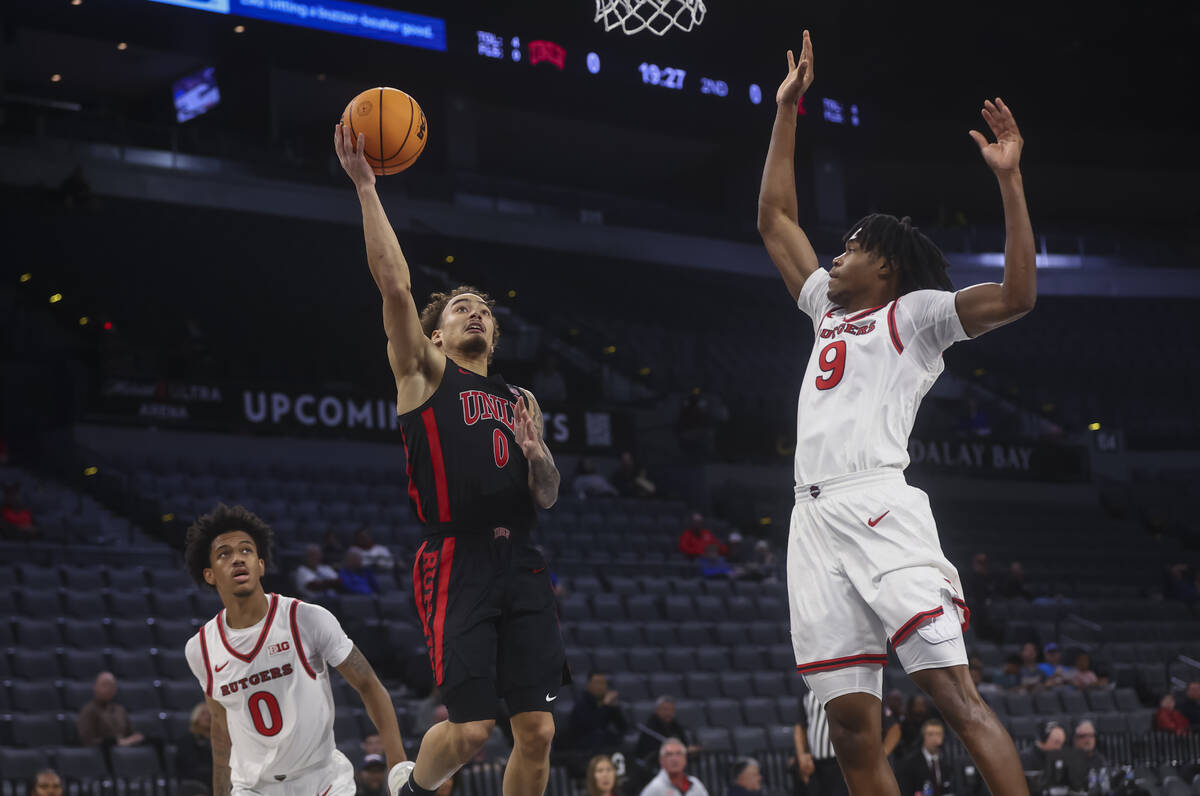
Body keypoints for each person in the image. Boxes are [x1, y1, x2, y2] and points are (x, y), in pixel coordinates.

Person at [758, 30, 1034, 795]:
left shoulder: (914, 316)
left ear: (887, 265)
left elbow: (1016, 297)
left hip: (879, 505)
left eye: (852, 247)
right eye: (839, 246)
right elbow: (776, 222)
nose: (836, 254)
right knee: (850, 728)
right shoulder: (825, 311)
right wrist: (788, 113)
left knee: (955, 696)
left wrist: (1009, 182)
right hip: (810, 520)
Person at [336, 122, 565, 796]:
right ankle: (411, 787)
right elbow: (397, 290)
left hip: (520, 558)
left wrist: (539, 456)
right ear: (437, 333)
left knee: (540, 732)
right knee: (471, 732)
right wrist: (367, 188)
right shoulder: (424, 373)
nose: (476, 314)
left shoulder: (521, 398)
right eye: (462, 308)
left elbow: (546, 494)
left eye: (484, 311)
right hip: (456, 558)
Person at [182, 503, 409, 796]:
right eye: (224, 553)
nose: (238, 559)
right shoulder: (200, 648)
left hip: (323, 782)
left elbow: (368, 684)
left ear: (261, 564)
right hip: (253, 789)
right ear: (210, 574)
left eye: (246, 550)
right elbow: (220, 728)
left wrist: (397, 764)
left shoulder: (306, 618)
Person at [794, 689, 846, 796]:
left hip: (840, 763)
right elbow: (800, 726)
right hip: (814, 763)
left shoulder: (844, 686)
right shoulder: (807, 689)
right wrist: (802, 755)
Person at [77, 671, 145, 748]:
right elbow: (87, 741)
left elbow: (129, 734)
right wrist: (118, 743)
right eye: (105, 685)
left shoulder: (120, 710)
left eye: (112, 686)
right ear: (95, 687)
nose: (109, 689)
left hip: (125, 752)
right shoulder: (88, 710)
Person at [568, 673, 627, 756]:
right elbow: (592, 725)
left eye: (603, 683)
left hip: (601, 744)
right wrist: (605, 705)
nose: (601, 687)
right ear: (588, 685)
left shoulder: (607, 704)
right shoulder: (581, 704)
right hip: (582, 745)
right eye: (597, 683)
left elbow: (623, 727)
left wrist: (615, 707)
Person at [894, 719, 951, 796]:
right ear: (923, 736)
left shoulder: (947, 763)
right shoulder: (910, 764)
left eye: (938, 734)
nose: (934, 738)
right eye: (930, 734)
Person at [635, 697, 695, 765]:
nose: (668, 713)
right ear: (657, 710)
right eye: (665, 709)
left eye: (671, 710)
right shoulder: (649, 728)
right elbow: (653, 751)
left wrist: (687, 749)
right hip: (652, 765)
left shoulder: (675, 725)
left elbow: (684, 743)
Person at [639, 739, 710, 796]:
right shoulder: (654, 788)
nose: (674, 759)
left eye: (678, 754)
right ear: (661, 760)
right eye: (669, 754)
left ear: (685, 758)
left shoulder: (695, 784)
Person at [176, 702, 215, 792]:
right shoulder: (187, 740)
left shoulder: (222, 740)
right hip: (197, 780)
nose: (208, 716)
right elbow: (189, 767)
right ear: (196, 717)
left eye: (210, 713)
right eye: (203, 713)